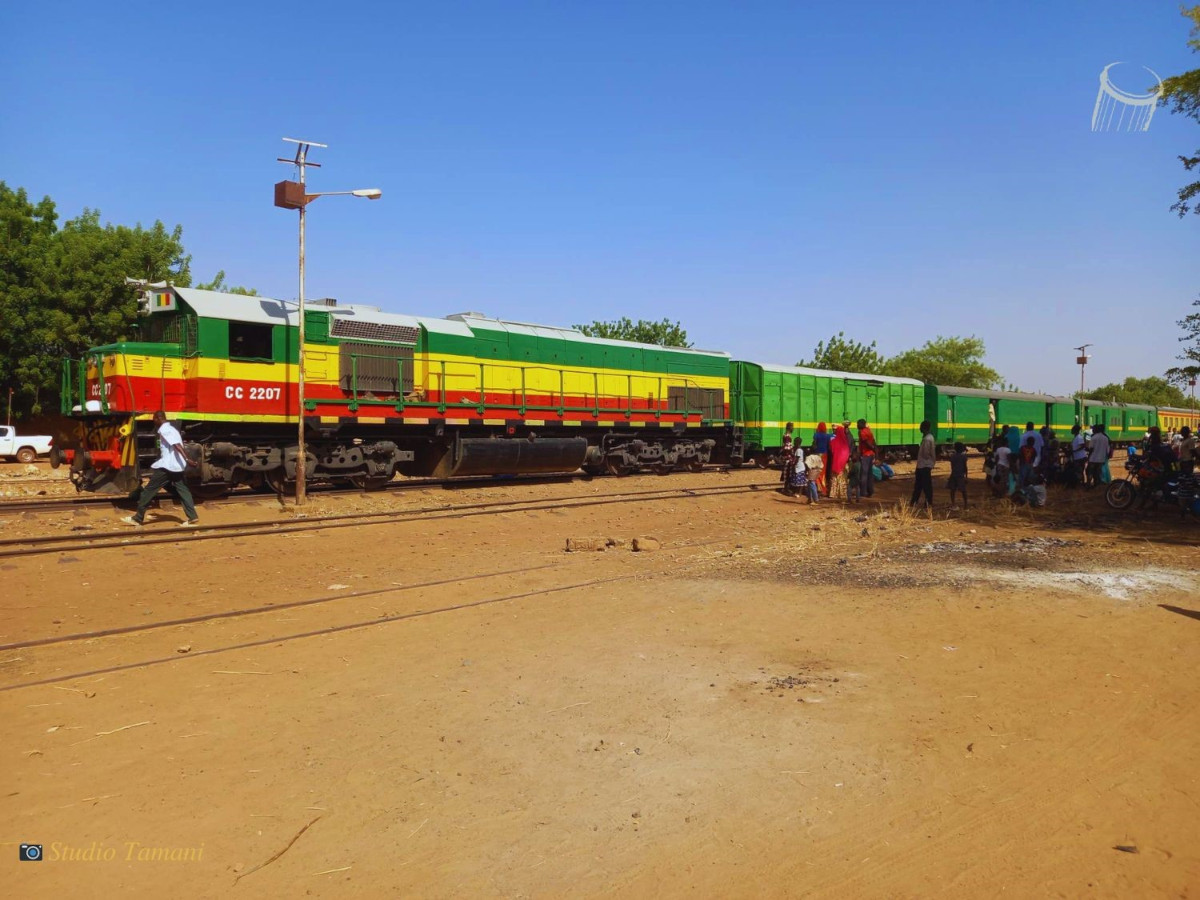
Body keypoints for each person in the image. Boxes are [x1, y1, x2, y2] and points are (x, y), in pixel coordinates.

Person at [121, 411, 199, 527]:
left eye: (154, 419)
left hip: (168, 466)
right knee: (183, 490)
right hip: (176, 466)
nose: (153, 421)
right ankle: (192, 517)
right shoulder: (172, 429)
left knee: (149, 490)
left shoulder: (165, 429)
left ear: (158, 418)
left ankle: (137, 518)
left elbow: (176, 445)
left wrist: (187, 459)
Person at [911, 420, 936, 509]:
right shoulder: (930, 438)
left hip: (924, 465)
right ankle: (922, 502)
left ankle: (921, 502)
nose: (920, 429)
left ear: (924, 428)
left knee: (922, 485)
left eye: (921, 427)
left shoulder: (927, 439)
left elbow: (925, 454)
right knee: (924, 485)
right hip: (925, 465)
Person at [828, 424, 851, 500]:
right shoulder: (845, 442)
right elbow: (847, 453)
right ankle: (842, 494)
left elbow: (831, 450)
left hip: (835, 462)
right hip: (843, 464)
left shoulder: (833, 441)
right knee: (843, 479)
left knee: (834, 478)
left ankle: (833, 493)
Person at [856, 418, 877, 498]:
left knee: (864, 474)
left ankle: (863, 492)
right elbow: (873, 441)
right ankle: (870, 491)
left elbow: (866, 443)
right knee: (869, 473)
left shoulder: (862, 432)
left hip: (866, 455)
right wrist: (875, 450)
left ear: (861, 424)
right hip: (870, 455)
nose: (857, 426)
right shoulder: (868, 430)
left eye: (858, 424)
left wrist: (872, 448)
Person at [1086, 423, 1110, 489]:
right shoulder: (1105, 438)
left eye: (1093, 429)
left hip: (1093, 459)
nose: (1092, 430)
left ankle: (1088, 486)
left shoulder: (1094, 437)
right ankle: (1096, 486)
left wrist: (1088, 457)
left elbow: (1091, 448)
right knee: (1097, 473)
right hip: (1101, 459)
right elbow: (1107, 450)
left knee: (1090, 472)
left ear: (1096, 430)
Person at [810, 422, 831, 496]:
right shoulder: (827, 436)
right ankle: (823, 489)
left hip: (817, 455)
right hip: (825, 455)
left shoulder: (816, 435)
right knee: (823, 472)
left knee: (816, 471)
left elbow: (814, 445)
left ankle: (817, 488)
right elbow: (829, 446)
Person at [947, 441, 969, 508]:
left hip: (954, 474)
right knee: (963, 491)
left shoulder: (953, 456)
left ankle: (953, 503)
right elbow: (965, 467)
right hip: (960, 475)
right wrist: (966, 476)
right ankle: (966, 505)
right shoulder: (964, 457)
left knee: (952, 490)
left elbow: (952, 466)